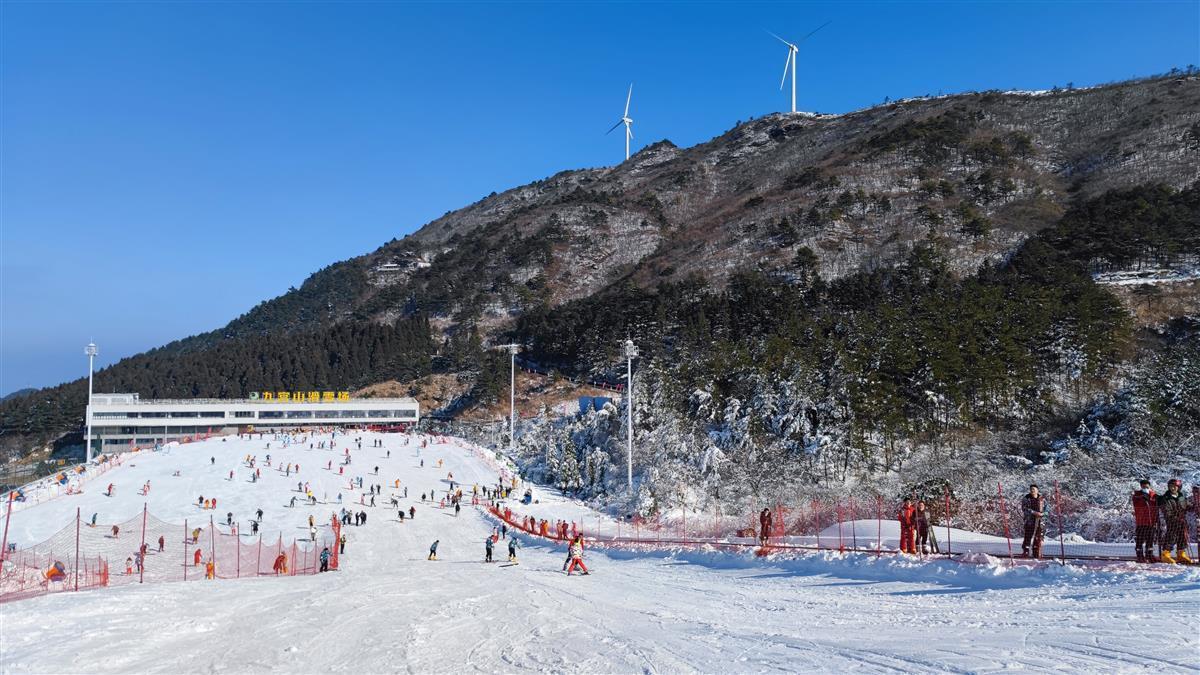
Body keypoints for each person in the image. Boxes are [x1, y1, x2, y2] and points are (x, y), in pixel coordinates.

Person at [1157, 479, 1193, 564]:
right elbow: (1166, 510)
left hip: (1182, 520)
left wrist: (1193, 507)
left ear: (1178, 487)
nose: (1172, 488)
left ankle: (1181, 554)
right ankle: (1165, 554)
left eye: (1174, 486)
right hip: (1172, 521)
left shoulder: (1181, 497)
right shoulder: (1166, 498)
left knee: (1182, 537)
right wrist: (1173, 517)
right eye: (1170, 486)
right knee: (1172, 536)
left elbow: (1187, 506)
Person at [1132, 479, 1158, 562]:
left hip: (1151, 522)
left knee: (1150, 540)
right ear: (1141, 486)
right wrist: (1142, 497)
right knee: (1140, 539)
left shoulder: (1153, 495)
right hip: (1141, 522)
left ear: (1149, 486)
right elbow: (1136, 503)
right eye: (1143, 486)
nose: (1145, 488)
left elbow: (1157, 505)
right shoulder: (1137, 495)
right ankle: (1139, 555)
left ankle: (1149, 555)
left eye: (1147, 486)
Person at [1021, 484, 1045, 559]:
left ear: (1037, 490)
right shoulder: (1026, 498)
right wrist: (1033, 512)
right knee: (1028, 535)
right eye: (1031, 489)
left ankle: (1036, 551)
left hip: (1040, 520)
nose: (1032, 491)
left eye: (1034, 489)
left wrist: (1043, 513)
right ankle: (1026, 551)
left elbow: (1047, 509)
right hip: (1030, 520)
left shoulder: (1042, 499)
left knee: (1038, 536)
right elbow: (1024, 508)